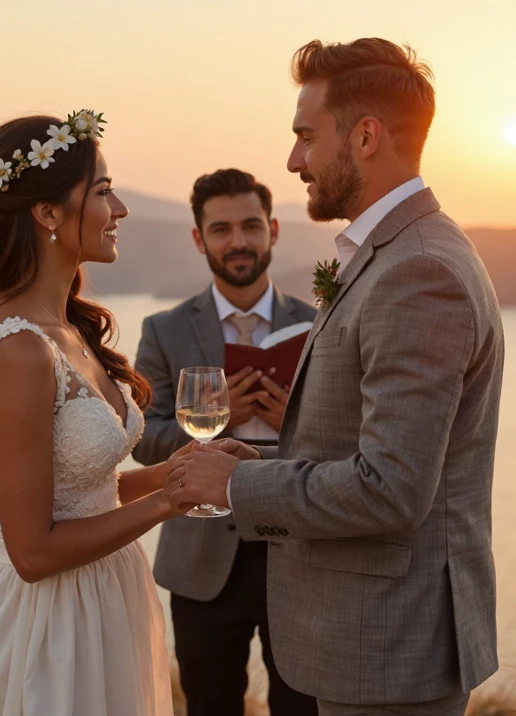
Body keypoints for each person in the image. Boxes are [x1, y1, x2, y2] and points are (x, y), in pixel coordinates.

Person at [168, 39, 506, 716]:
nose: (294, 161)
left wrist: (235, 484)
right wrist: (261, 454)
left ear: (366, 135)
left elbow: (389, 491)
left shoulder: (419, 272)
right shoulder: (393, 256)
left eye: (304, 137)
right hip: (367, 643)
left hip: (388, 650)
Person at [0, 111, 188, 716]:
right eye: (102, 192)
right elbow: (33, 552)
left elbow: (84, 494)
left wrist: (177, 474)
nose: (120, 208)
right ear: (46, 212)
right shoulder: (19, 348)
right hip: (51, 629)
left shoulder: (67, 329)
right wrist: (168, 504)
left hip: (107, 600)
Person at [132, 168, 319, 716]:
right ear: (199, 238)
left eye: (250, 226)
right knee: (210, 706)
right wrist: (221, 417)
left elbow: (348, 441)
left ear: (273, 230)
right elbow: (143, 438)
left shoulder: (321, 322)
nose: (238, 242)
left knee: (302, 708)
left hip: (301, 549)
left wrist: (296, 422)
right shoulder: (163, 330)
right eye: (220, 229)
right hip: (202, 557)